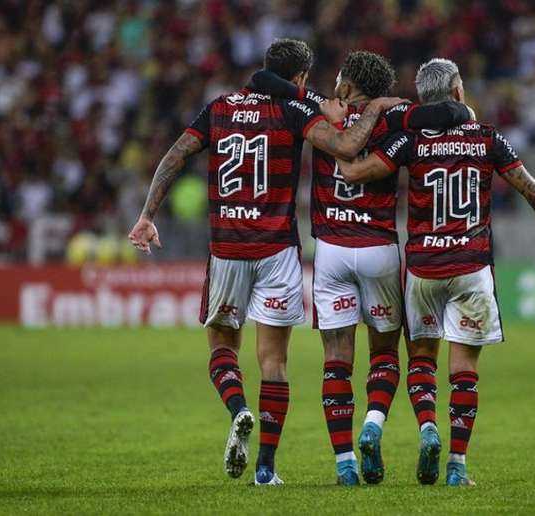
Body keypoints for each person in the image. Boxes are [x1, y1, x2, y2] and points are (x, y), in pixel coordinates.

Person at [128, 38, 403, 486]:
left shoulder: (219, 108)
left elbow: (176, 153)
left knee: (222, 349)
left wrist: (146, 216)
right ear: (298, 78)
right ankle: (265, 468)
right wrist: (374, 109)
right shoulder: (295, 109)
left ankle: (239, 410)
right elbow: (345, 144)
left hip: (227, 249)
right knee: (273, 363)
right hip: (277, 250)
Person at [337, 58, 535, 486]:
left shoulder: (410, 142)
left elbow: (356, 170)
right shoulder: (486, 138)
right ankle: (457, 467)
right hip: (471, 267)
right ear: (459, 92)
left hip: (423, 268)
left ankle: (428, 428)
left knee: (421, 361)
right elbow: (530, 189)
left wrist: (338, 142)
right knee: (464, 370)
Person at [249, 51, 473, 485]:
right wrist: (396, 106)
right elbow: (448, 114)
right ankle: (373, 422)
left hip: (330, 249)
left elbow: (266, 82)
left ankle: (345, 464)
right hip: (379, 249)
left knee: (336, 360)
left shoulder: (318, 109)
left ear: (346, 86)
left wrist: (312, 95)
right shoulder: (398, 117)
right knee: (386, 355)